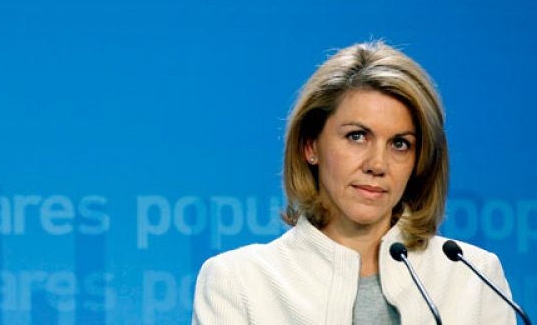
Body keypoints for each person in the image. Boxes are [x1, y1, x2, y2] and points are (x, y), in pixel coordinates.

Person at [192, 41, 515, 324]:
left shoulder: (474, 278)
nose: (377, 165)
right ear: (310, 146)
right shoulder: (239, 282)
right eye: (357, 136)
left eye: (400, 144)